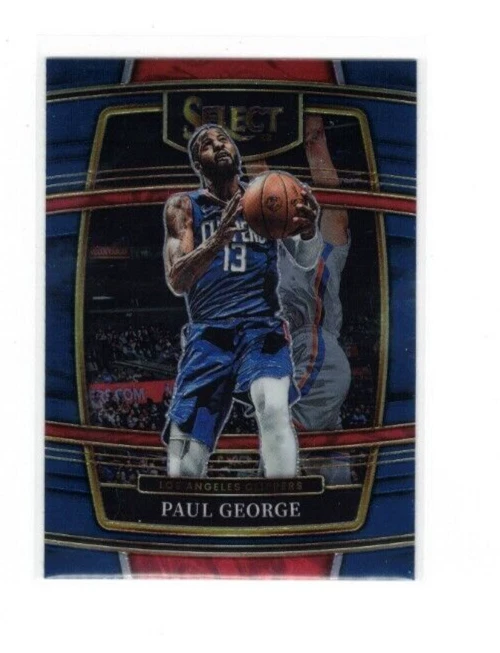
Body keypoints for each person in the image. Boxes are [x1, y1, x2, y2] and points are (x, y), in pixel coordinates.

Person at [161, 123, 320, 478]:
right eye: (207, 144)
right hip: (208, 334)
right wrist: (216, 241)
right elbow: (177, 280)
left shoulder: (266, 198)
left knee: (273, 407)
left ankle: (282, 498)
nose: (219, 145)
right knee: (185, 463)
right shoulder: (184, 206)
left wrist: (309, 231)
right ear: (197, 164)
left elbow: (306, 258)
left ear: (236, 152)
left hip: (260, 329)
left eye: (224, 140)